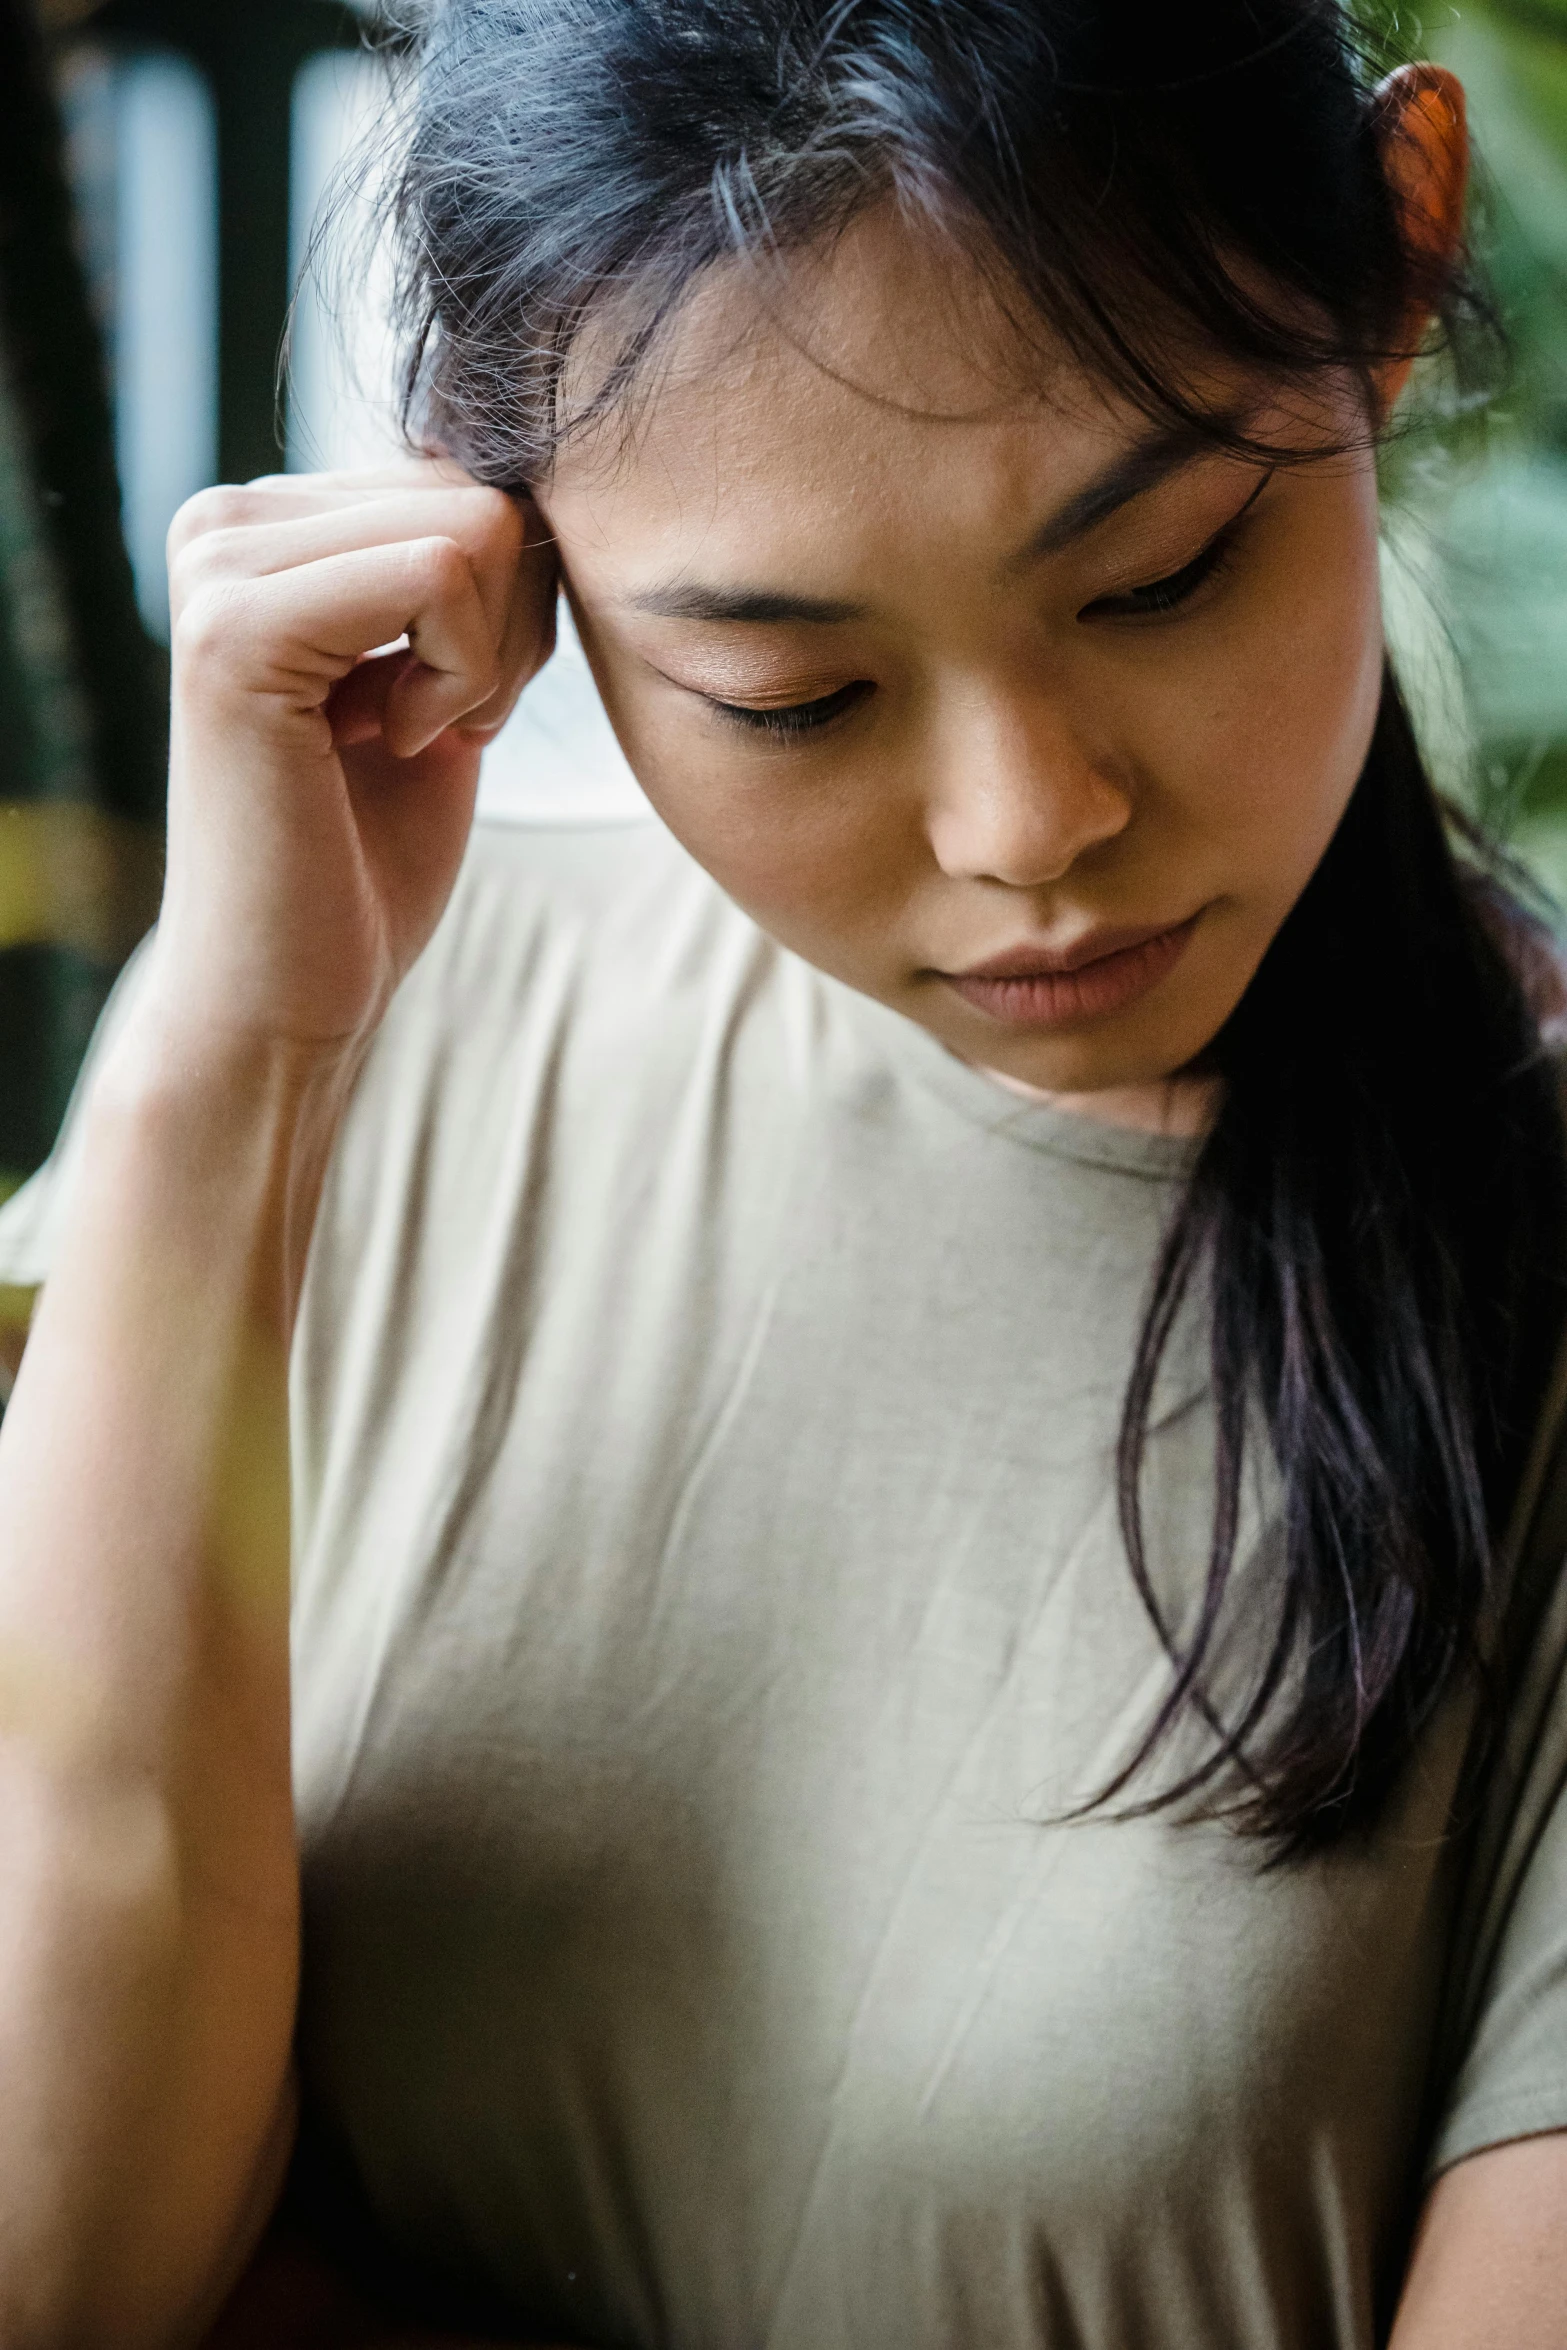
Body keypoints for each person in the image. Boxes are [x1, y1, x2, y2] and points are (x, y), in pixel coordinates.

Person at [2, 2, 1566, 2344]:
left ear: (1400, 246)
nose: (1025, 823)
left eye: (1156, 576)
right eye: (794, 693)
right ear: (501, 550)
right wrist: (220, 1057)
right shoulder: (365, 1067)